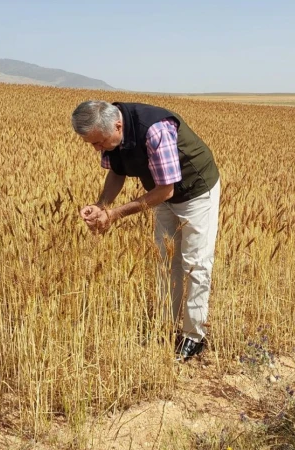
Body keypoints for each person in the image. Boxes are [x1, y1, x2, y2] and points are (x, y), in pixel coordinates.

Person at [71, 100, 221, 361]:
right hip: (160, 191)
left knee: (195, 264)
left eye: (99, 142)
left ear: (118, 126)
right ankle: (164, 327)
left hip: (195, 191)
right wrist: (101, 205)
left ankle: (194, 336)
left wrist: (115, 214)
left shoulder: (154, 129)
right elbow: (117, 171)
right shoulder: (111, 135)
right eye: (92, 144)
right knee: (164, 260)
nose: (97, 149)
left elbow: (167, 190)